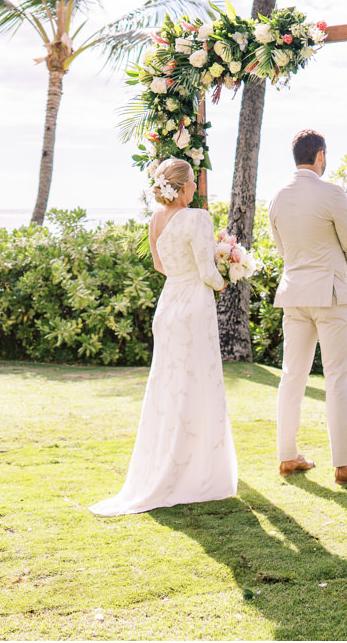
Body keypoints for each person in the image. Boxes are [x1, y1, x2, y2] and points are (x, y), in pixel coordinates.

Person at [90, 159, 237, 515]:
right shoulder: (198, 217)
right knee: (197, 383)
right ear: (186, 186)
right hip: (194, 307)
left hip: (169, 305)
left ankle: (166, 465)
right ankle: (196, 472)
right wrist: (228, 277)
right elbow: (206, 270)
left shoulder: (156, 220)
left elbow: (159, 265)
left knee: (169, 387)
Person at [268, 129, 347, 485]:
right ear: (320, 156)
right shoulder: (333, 193)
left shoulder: (277, 198)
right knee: (337, 378)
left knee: (292, 376)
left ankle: (287, 456)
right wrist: (343, 279)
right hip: (331, 294)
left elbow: (282, 249)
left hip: (294, 295)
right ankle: (346, 464)